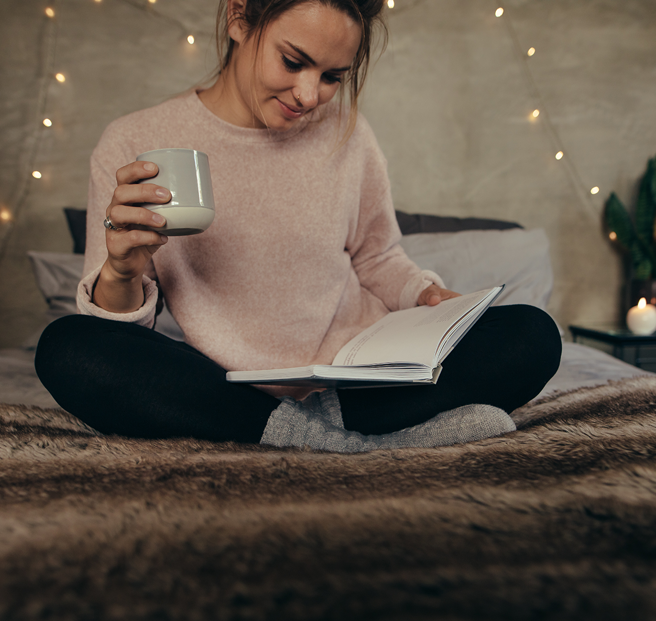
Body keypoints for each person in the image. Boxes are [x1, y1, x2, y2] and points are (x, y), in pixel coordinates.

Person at [35, 0, 562, 452]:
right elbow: (117, 335)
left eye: (333, 76)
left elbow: (378, 256)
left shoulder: (348, 135)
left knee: (532, 334)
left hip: (363, 378)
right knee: (69, 347)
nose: (310, 96)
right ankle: (347, 439)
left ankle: (305, 433)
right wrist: (122, 270)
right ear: (239, 16)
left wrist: (427, 299)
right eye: (294, 61)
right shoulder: (133, 141)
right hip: (228, 388)